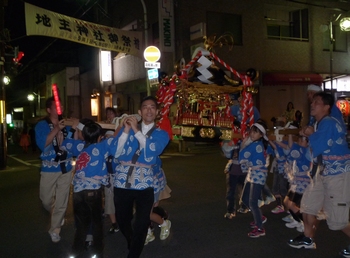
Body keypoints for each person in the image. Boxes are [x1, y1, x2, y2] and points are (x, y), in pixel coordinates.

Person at [288, 92, 350, 257]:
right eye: (312, 101)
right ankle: (308, 238)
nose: (312, 104)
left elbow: (319, 145)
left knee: (337, 220)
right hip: (323, 172)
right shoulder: (320, 123)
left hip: (338, 174)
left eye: (316, 102)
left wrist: (309, 134)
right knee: (308, 205)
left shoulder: (328, 122)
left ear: (327, 107)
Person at [113, 96, 170, 258]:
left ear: (157, 112)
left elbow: (153, 151)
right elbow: (115, 152)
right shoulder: (128, 130)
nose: (149, 110)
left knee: (142, 221)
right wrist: (125, 130)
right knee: (122, 219)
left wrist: (136, 130)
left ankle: (134, 254)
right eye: (145, 107)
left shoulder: (162, 134)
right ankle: (133, 241)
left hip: (146, 181)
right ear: (140, 111)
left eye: (153, 107)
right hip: (122, 180)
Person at [64, 121, 120, 257]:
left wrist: (73, 130)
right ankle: (97, 252)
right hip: (93, 191)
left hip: (78, 191)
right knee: (96, 223)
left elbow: (66, 143)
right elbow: (115, 140)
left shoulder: (79, 147)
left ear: (83, 135)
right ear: (100, 136)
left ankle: (75, 251)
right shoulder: (101, 147)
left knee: (82, 223)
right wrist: (120, 127)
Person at [35, 97, 75, 243]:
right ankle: (57, 215)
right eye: (57, 107)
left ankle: (55, 229)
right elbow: (43, 144)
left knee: (62, 200)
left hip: (65, 165)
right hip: (49, 167)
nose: (61, 109)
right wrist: (57, 128)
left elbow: (74, 141)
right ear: (49, 110)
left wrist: (76, 126)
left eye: (62, 106)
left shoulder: (67, 124)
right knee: (45, 199)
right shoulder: (42, 125)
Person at [239, 120, 270, 238]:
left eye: (256, 132)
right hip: (253, 173)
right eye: (252, 131)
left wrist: (243, 144)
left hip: (258, 174)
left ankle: (260, 228)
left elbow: (243, 155)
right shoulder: (255, 144)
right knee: (245, 199)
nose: (252, 134)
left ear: (261, 135)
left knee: (252, 202)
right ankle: (259, 218)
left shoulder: (256, 145)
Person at [277, 134, 312, 233]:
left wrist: (290, 135)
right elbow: (289, 148)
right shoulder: (300, 150)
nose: (301, 141)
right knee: (287, 202)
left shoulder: (308, 151)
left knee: (291, 204)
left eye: (304, 139)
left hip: (303, 181)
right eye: (300, 139)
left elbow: (291, 147)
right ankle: (298, 221)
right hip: (296, 180)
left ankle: (305, 224)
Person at [222, 139, 249, 219]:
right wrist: (231, 146)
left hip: (244, 170)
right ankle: (230, 211)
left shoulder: (248, 139)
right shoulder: (232, 139)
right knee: (231, 192)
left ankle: (244, 206)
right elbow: (226, 153)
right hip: (233, 170)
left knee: (244, 191)